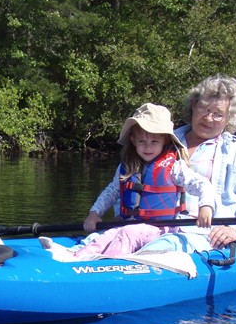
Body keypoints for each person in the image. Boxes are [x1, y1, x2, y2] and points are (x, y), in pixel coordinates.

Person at [42, 103, 215, 260]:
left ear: (165, 140)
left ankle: (100, 264)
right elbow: (111, 192)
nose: (147, 147)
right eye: (142, 141)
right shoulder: (127, 167)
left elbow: (202, 185)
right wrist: (95, 213)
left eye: (154, 141)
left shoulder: (175, 167)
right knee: (104, 236)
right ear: (133, 140)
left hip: (161, 228)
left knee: (127, 233)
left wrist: (205, 206)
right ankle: (75, 256)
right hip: (132, 222)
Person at [137, 74, 236, 255]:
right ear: (193, 108)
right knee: (99, 241)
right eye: (204, 109)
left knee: (161, 247)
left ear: (229, 119)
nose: (208, 118)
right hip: (150, 227)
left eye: (218, 114)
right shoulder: (159, 141)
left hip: (200, 236)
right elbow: (127, 180)